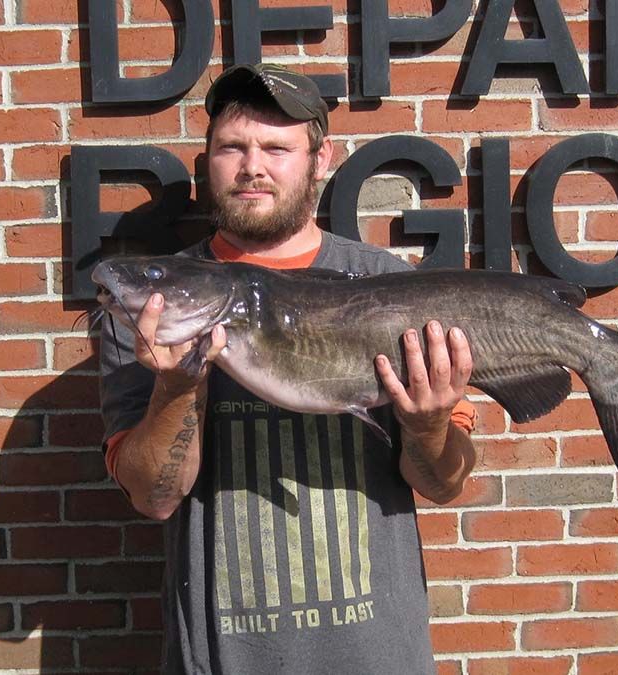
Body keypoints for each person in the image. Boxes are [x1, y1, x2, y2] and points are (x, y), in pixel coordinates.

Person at [98, 63, 478, 674]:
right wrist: (175, 386)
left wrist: (430, 426)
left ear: (320, 158)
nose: (254, 166)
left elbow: (444, 484)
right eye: (232, 147)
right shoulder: (158, 303)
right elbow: (154, 495)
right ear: (207, 160)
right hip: (225, 660)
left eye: (277, 147)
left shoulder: (392, 288)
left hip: (379, 656)